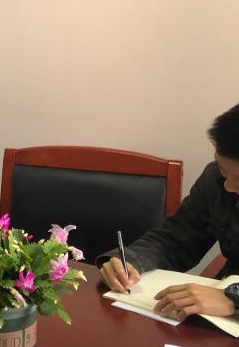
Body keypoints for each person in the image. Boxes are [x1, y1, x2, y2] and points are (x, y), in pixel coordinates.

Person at [98, 103, 239, 320]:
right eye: (225, 172)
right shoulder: (216, 182)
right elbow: (174, 241)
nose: (228, 186)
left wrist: (232, 299)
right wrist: (129, 261)